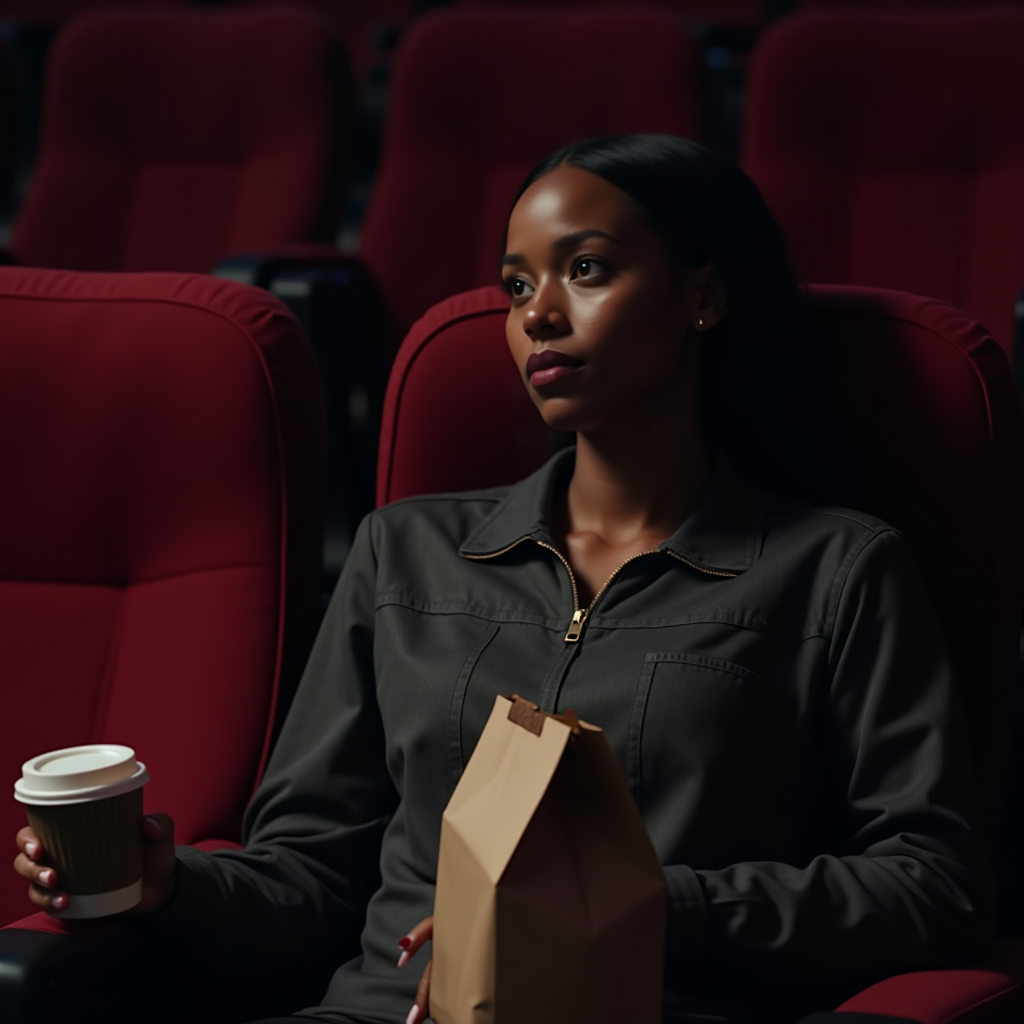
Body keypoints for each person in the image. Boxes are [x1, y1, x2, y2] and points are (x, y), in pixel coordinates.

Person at [14, 135, 994, 1024]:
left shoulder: (835, 569)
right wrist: (167, 881)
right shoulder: (403, 552)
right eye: (517, 287)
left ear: (703, 295)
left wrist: (643, 905)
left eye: (587, 270)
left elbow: (932, 886)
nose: (540, 317)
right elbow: (311, 876)